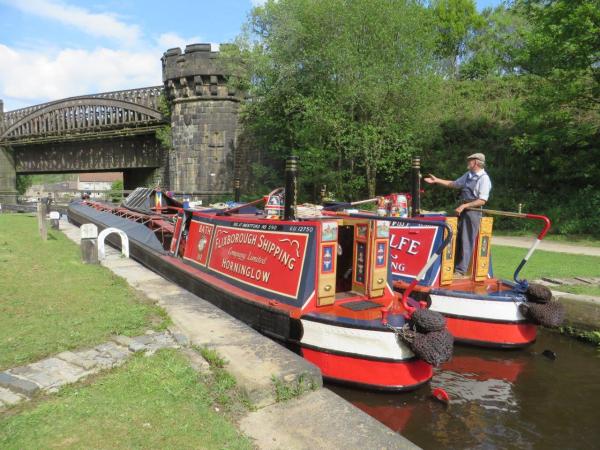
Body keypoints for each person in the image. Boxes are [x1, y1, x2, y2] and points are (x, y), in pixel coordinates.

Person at [424, 153, 492, 275]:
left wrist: (464, 206)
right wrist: (436, 180)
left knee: (466, 240)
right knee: (454, 237)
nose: (468, 162)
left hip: (473, 212)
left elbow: (482, 200)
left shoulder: (484, 178)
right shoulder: (468, 175)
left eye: (470, 161)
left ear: (476, 162)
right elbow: (454, 184)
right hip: (462, 209)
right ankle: (450, 267)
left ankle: (460, 271)